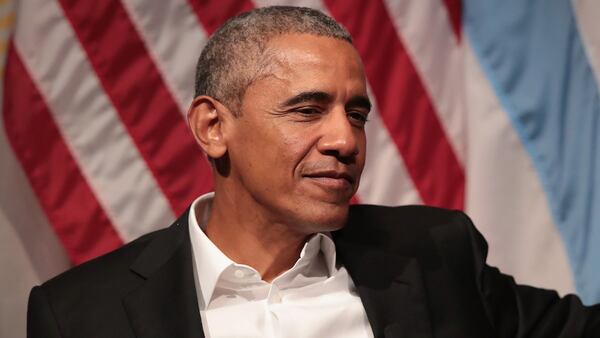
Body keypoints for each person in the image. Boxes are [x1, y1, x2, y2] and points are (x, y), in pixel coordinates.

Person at [27, 6, 600, 338]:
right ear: (212, 127)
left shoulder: (435, 254)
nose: (346, 140)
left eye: (357, 114)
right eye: (306, 110)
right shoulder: (80, 315)